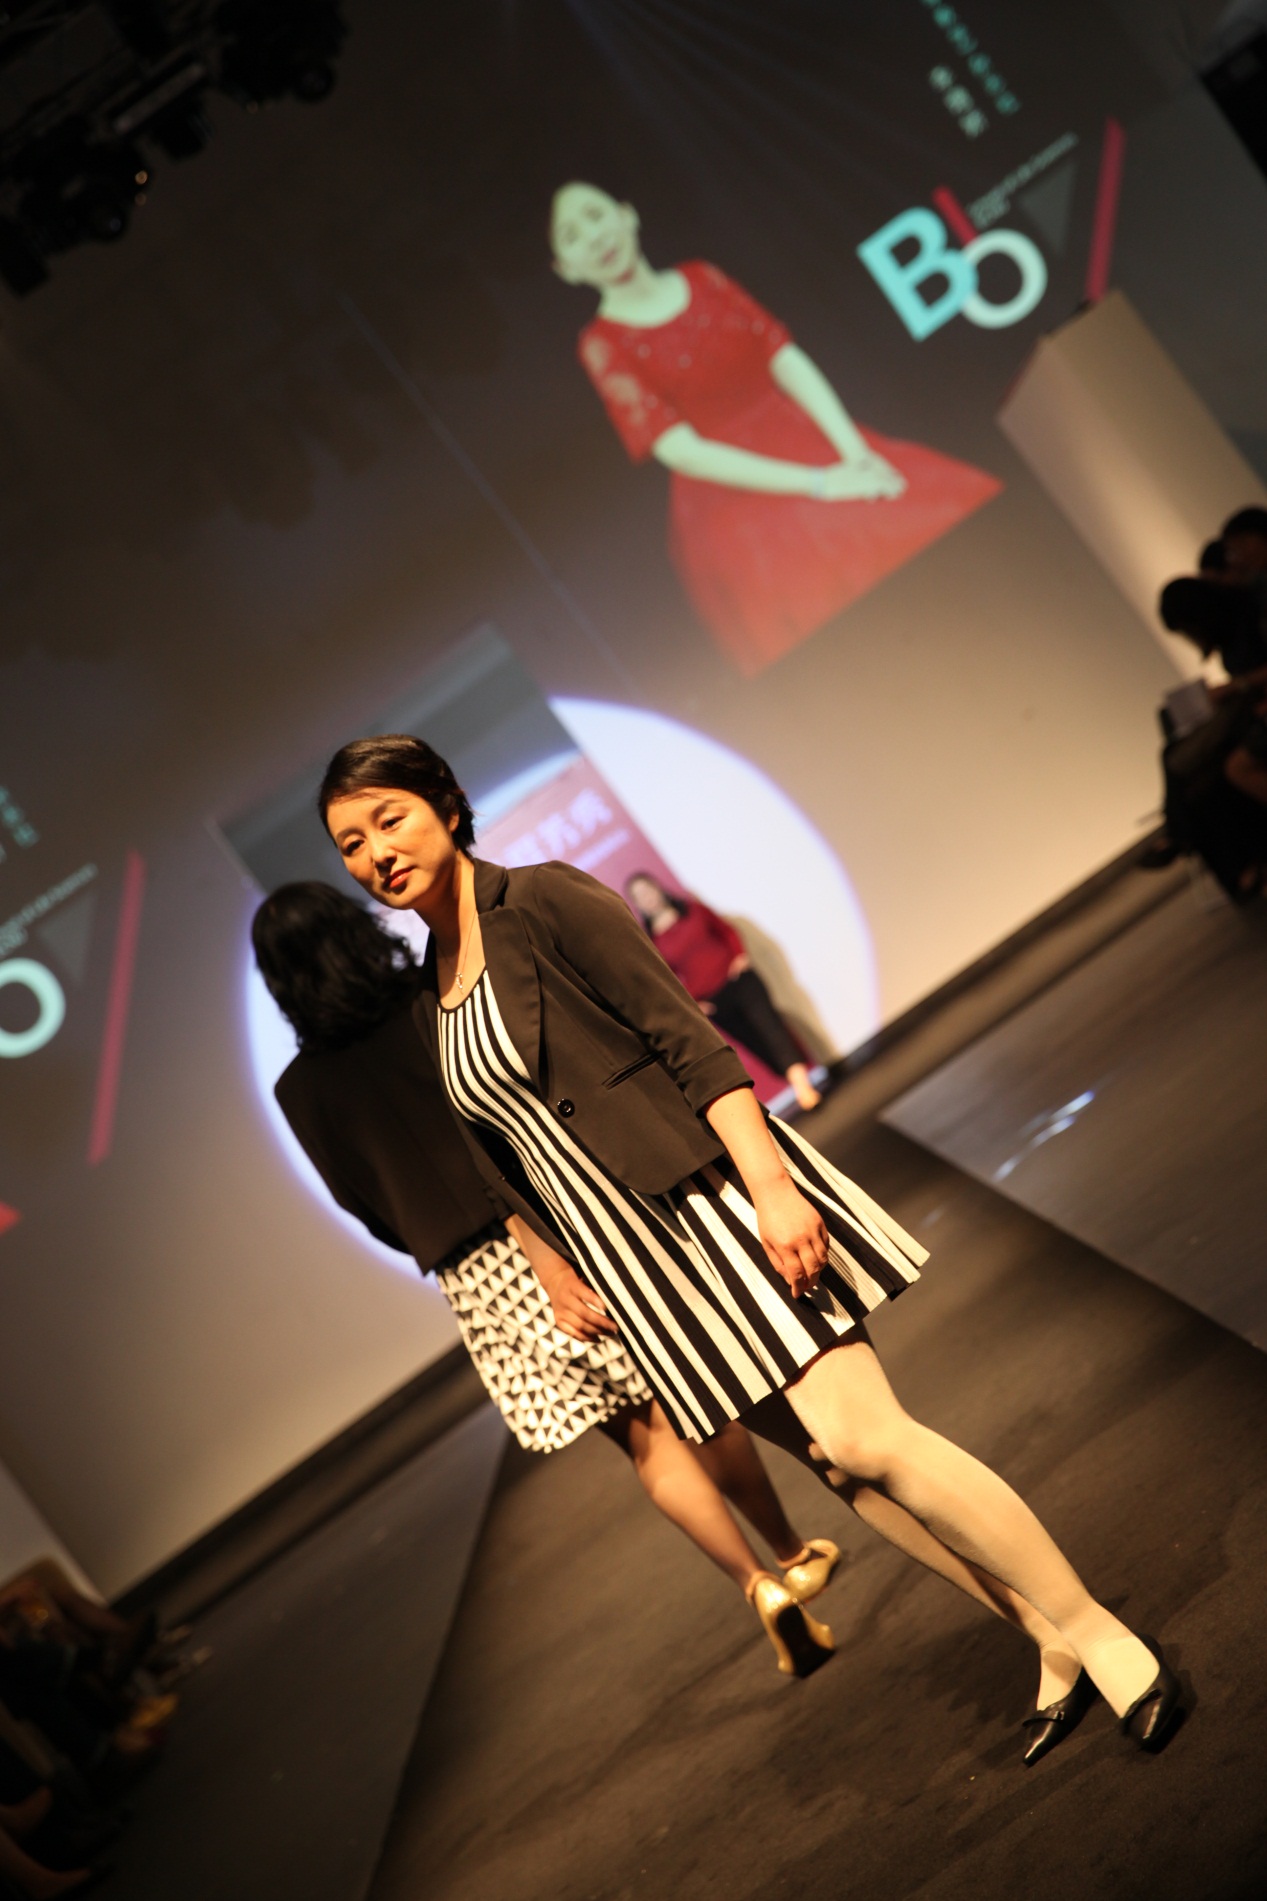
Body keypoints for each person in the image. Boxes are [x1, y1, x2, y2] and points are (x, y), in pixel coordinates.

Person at [319, 733, 1185, 1760]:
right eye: (350, 843)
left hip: (715, 1204)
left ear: (448, 807)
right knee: (837, 1470)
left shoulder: (542, 899)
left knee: (866, 1437)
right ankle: (1044, 1634)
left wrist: (772, 1188)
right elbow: (499, 1157)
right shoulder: (433, 986)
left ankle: (1101, 1631)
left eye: (388, 819)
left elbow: (687, 1039)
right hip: (637, 1270)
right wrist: (554, 1263)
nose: (375, 852)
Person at [252, 881, 842, 1676]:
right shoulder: (430, 1001)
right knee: (702, 1393)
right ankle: (792, 1551)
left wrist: (435, 1234)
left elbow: (358, 1203)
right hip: (554, 1224)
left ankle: (755, 1585)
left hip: (474, 1277)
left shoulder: (297, 1090)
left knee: (644, 1440)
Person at [551, 181, 1001, 675]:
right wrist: (821, 484)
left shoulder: (702, 276)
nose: (593, 237)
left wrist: (854, 453)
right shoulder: (602, 343)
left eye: (595, 215)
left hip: (799, 436)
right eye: (571, 236)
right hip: (729, 495)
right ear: (567, 269)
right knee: (831, 568)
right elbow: (681, 452)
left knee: (927, 508)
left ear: (626, 214)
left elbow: (782, 356)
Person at [624, 872, 821, 1112]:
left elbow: (726, 930)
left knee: (771, 1028)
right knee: (756, 1042)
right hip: (714, 1002)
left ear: (658, 888)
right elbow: (669, 980)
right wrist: (696, 1004)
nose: (647, 898)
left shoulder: (693, 910)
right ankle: (796, 1078)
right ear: (636, 904)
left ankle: (802, 1086)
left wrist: (739, 955)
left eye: (648, 890)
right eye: (639, 896)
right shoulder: (653, 942)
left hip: (739, 981)